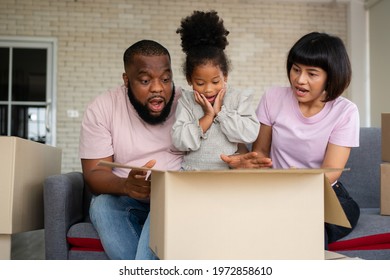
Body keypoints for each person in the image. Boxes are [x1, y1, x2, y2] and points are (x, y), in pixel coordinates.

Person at [222, 32, 360, 246]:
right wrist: (246, 161)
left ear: (331, 77)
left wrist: (296, 192)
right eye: (296, 69)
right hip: (274, 190)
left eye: (312, 73)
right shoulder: (273, 97)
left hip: (322, 194)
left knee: (316, 224)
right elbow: (261, 153)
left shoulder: (346, 111)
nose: (299, 79)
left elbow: (331, 170)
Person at [79, 40, 183, 259]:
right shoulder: (102, 108)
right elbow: (94, 173)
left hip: (175, 197)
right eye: (145, 80)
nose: (158, 87)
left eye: (166, 79)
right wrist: (127, 185)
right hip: (127, 197)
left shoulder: (187, 103)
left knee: (167, 200)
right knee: (101, 205)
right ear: (126, 80)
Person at [172, 10, 260, 170]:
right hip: (192, 175)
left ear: (225, 76)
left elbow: (249, 134)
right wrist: (208, 116)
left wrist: (221, 113)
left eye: (215, 81)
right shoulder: (186, 101)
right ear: (189, 80)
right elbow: (180, 141)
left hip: (227, 177)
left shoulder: (238, 98)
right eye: (200, 83)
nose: (208, 89)